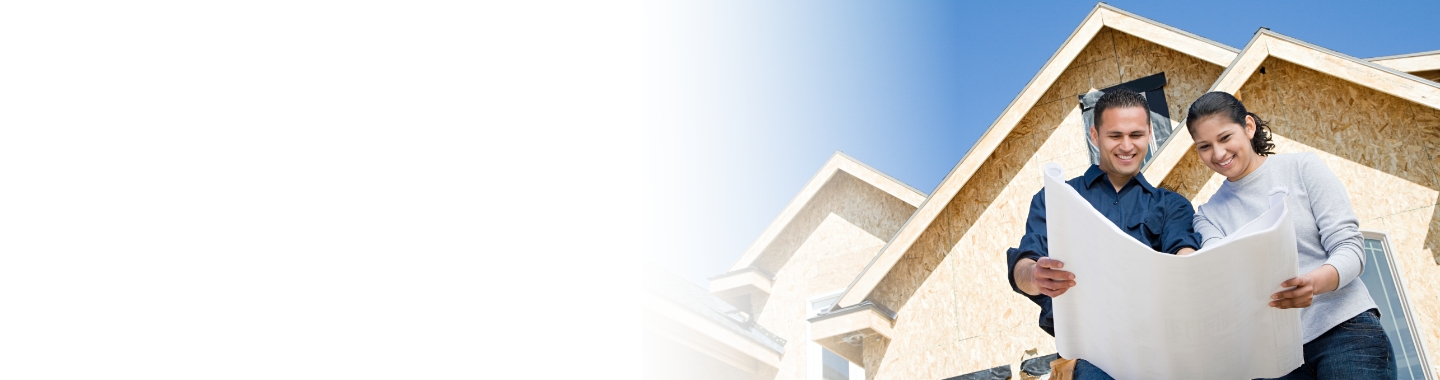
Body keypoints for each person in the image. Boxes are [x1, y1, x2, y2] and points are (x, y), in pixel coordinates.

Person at [1184, 91, 1393, 379]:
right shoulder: (1208, 215)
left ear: (1248, 126)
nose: (1218, 154)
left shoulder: (1303, 168)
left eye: (1225, 138)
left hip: (1344, 331)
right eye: (1204, 146)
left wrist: (1314, 283)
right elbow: (1223, 274)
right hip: (1275, 357)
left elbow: (1351, 250)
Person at [1005, 88, 1202, 380]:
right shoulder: (1056, 199)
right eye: (1115, 136)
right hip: (1090, 357)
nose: (1126, 146)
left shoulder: (1171, 204)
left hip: (1161, 353)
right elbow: (1025, 263)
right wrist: (1034, 275)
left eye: (1136, 135)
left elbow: (1183, 251)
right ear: (1095, 136)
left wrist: (1192, 266)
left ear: (1149, 133)